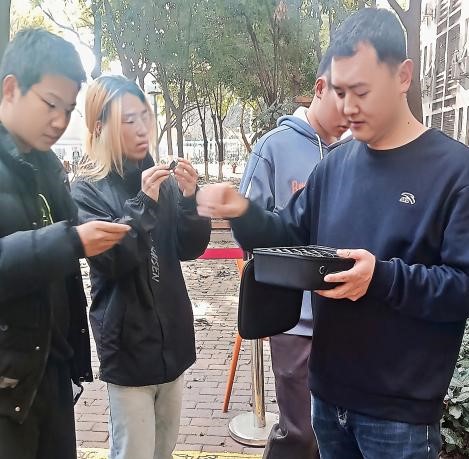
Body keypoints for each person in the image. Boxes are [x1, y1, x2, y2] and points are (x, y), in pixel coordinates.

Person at [196, 8, 469, 459]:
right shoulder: (334, 166)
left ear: (403, 76)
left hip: (400, 414)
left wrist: (380, 277)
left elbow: (461, 286)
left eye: (361, 91)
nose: (347, 107)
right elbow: (286, 236)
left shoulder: (455, 172)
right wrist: (241, 210)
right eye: (340, 92)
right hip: (327, 398)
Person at [0, 29, 130, 459]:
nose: (59, 121)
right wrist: (70, 240)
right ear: (11, 89)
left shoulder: (49, 168)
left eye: (69, 109)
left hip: (50, 374)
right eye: (50, 104)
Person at [71, 75, 211, 459]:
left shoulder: (160, 179)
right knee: (134, 451)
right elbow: (110, 260)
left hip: (172, 341)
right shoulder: (87, 188)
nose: (141, 129)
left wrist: (190, 199)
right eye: (127, 119)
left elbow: (188, 248)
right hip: (128, 348)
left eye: (144, 117)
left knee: (164, 450)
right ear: (99, 126)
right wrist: (143, 204)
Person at [239, 49, 348, 459]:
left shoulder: (357, 153)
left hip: (348, 318)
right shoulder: (273, 148)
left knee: (336, 435)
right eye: (343, 94)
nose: (351, 109)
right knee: (300, 433)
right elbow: (250, 232)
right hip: (294, 322)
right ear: (320, 88)